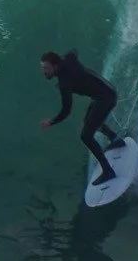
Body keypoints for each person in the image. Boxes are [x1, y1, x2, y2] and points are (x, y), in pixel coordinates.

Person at [40, 50, 127, 186]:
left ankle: (108, 171)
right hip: (106, 91)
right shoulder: (69, 58)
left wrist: (51, 122)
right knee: (89, 121)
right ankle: (115, 139)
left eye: (46, 68)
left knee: (86, 136)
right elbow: (74, 52)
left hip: (105, 99)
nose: (44, 71)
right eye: (43, 68)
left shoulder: (65, 83)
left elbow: (66, 111)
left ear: (55, 66)